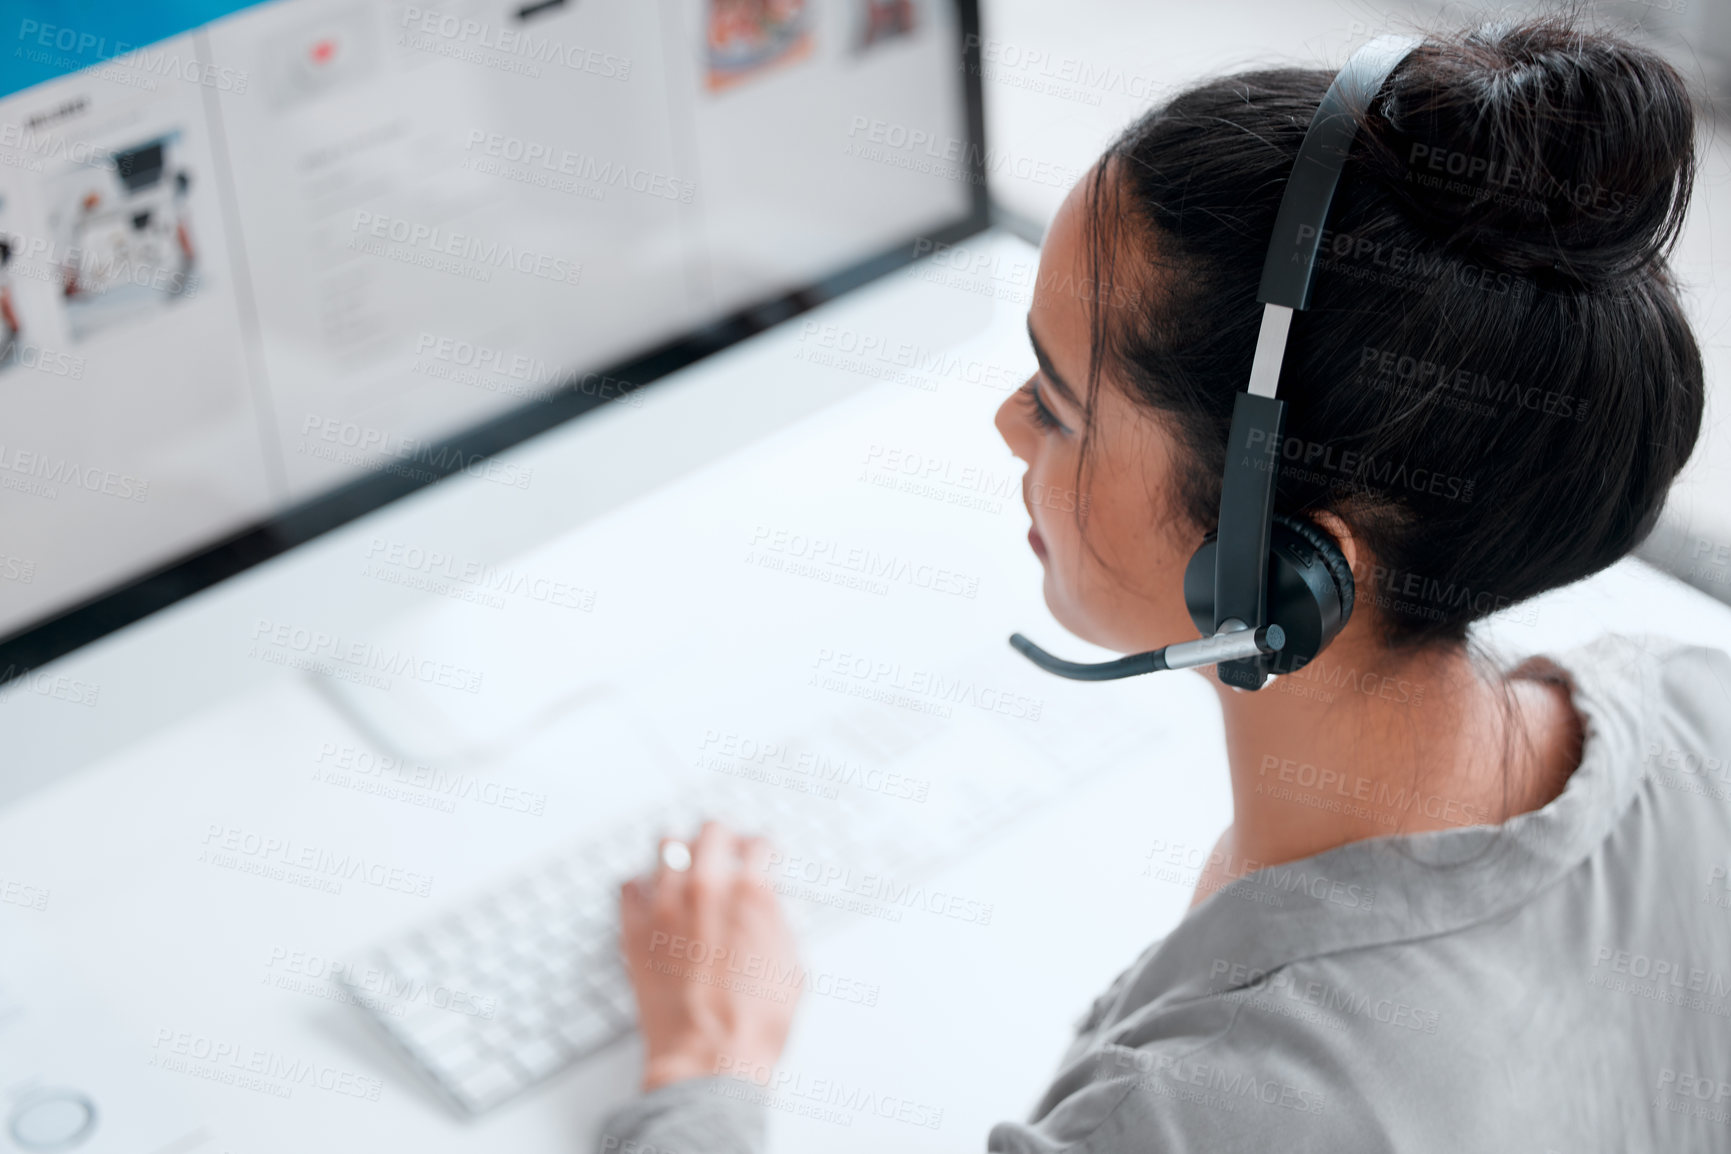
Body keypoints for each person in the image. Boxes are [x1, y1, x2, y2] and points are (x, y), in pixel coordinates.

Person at [600, 14, 1731, 1151]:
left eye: (1061, 402)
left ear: (1287, 562)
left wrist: (704, 1065)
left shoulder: (1189, 1114)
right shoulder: (1703, 705)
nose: (1007, 422)